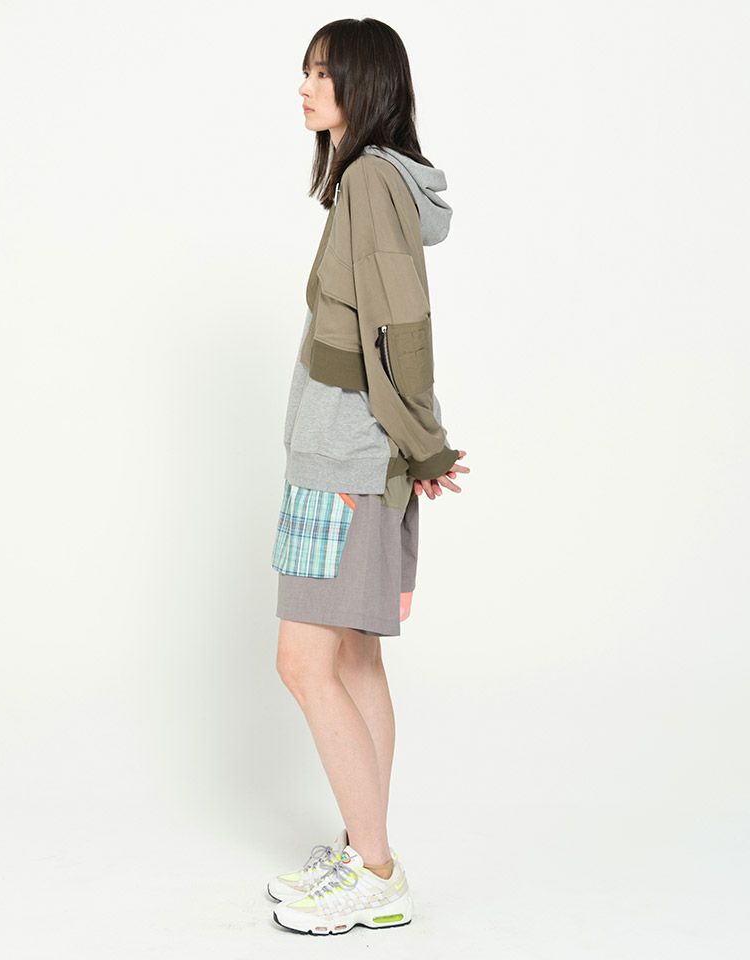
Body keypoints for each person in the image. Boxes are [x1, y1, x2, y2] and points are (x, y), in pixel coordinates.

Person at [267, 18, 470, 936]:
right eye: (306, 71)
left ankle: (377, 873)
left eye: (323, 73)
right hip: (354, 455)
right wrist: (413, 445)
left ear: (366, 83)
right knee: (352, 656)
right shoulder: (377, 179)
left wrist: (421, 443)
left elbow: (399, 328)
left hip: (344, 463)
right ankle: (365, 848)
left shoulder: (368, 184)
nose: (306, 87)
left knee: (302, 662)